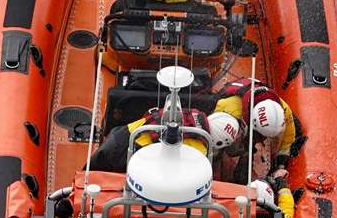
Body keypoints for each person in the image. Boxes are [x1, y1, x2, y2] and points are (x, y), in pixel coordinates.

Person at [86, 107, 243, 174]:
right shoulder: (200, 150)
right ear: (220, 142)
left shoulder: (191, 114)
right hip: (131, 156)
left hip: (120, 135)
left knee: (85, 178)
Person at [213, 76, 303, 183]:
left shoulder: (284, 110)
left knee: (297, 129)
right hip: (232, 116)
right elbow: (215, 131)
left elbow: (287, 142)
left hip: (251, 116)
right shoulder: (228, 109)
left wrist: (281, 166)